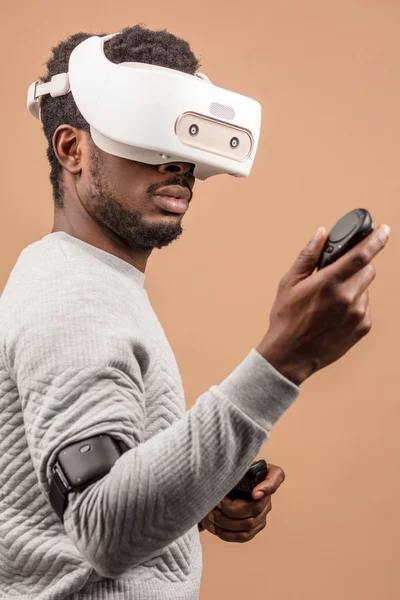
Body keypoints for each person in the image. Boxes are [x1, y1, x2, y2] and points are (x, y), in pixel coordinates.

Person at [0, 24, 390, 600]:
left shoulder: (93, 281)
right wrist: (284, 359)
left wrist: (199, 498)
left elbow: (91, 504)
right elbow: (102, 527)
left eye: (183, 139)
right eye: (146, 130)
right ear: (71, 149)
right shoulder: (72, 296)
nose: (176, 163)